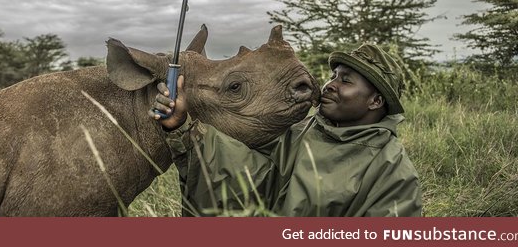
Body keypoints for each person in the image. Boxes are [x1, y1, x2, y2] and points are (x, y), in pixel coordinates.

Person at [150, 43, 422, 217]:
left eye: (346, 81)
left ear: (375, 101)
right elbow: (253, 176)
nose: (330, 85)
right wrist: (184, 127)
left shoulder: (392, 171)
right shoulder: (303, 131)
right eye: (333, 76)